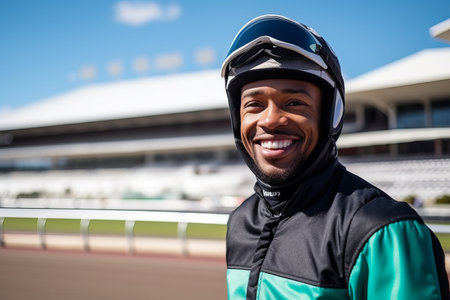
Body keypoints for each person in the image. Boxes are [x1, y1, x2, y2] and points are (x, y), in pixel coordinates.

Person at [220, 14, 449, 299]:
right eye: (254, 104)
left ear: (331, 115)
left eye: (294, 103)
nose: (270, 120)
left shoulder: (384, 231)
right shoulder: (241, 222)